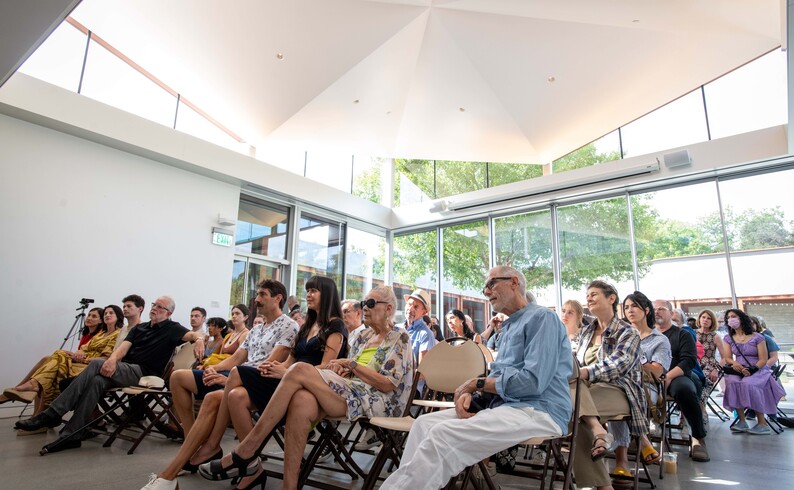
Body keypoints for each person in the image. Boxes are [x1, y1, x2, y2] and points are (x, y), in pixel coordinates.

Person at [198, 285, 413, 490]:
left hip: (377, 400)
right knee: (302, 401)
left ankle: (247, 449)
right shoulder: (361, 335)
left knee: (300, 369)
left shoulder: (399, 337)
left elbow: (386, 384)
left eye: (371, 302)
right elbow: (350, 371)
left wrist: (351, 365)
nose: (364, 306)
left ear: (389, 309)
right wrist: (341, 367)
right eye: (364, 301)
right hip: (350, 390)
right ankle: (289, 486)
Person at [142, 277, 343, 490]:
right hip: (274, 376)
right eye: (308, 290)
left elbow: (321, 366)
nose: (309, 294)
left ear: (278, 298)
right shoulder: (305, 326)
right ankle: (246, 464)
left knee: (225, 386)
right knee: (226, 393)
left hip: (293, 382)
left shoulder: (308, 326)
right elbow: (281, 361)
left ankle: (214, 446)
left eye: (314, 291)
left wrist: (273, 370)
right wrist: (217, 368)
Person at [379, 266, 571, 489]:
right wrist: (473, 395)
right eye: (485, 286)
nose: (486, 291)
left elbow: (533, 382)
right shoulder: (508, 328)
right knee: (423, 424)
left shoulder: (542, 318)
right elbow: (499, 380)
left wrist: (475, 383)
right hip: (506, 407)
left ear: (514, 282)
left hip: (540, 409)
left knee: (443, 434)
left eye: (491, 284)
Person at [15, 296, 205, 454]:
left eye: (159, 307)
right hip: (125, 368)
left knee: (97, 363)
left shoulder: (173, 328)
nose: (154, 308)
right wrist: (113, 360)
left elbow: (194, 335)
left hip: (144, 373)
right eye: (154, 305)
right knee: (97, 380)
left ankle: (52, 413)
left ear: (168, 313)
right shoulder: (140, 328)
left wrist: (199, 341)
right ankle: (72, 435)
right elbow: (123, 348)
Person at [169, 299, 288, 437]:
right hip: (235, 371)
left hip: (241, 376)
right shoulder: (239, 334)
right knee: (177, 376)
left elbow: (245, 363)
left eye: (237, 313)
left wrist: (227, 378)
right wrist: (214, 367)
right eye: (233, 313)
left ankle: (210, 442)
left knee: (217, 395)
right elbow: (229, 357)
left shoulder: (249, 333)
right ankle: (189, 434)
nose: (234, 316)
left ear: (245, 317)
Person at [573, 281, 645, 490]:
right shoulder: (586, 332)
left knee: (573, 411)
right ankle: (599, 434)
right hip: (586, 390)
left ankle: (601, 484)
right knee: (577, 415)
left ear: (611, 298)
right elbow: (575, 362)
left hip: (620, 390)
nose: (589, 299)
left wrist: (585, 372)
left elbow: (619, 365)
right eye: (587, 295)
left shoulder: (627, 332)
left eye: (594, 294)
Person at [3, 305, 123, 417]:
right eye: (106, 313)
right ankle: (37, 402)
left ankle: (35, 391)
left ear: (118, 316)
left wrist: (83, 358)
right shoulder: (101, 334)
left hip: (92, 367)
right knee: (56, 356)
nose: (107, 315)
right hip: (81, 362)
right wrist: (77, 354)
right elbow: (83, 349)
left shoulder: (118, 334)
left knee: (53, 362)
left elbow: (107, 358)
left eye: (111, 313)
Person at [610, 292, 670, 476]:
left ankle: (622, 461)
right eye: (626, 307)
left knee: (620, 396)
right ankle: (643, 439)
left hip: (647, 388)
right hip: (620, 386)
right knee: (618, 394)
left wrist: (629, 361)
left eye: (634, 306)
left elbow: (657, 371)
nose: (629, 311)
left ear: (646, 310)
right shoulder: (618, 336)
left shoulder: (659, 340)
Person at [653, 299, 709, 462]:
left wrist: (668, 376)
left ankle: (698, 437)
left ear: (671, 314)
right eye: (654, 309)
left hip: (678, 374)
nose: (656, 311)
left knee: (685, 390)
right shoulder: (648, 335)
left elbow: (688, 361)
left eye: (661, 309)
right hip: (652, 376)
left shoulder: (682, 334)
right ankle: (637, 436)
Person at [720, 308, 785, 435]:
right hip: (738, 369)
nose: (730, 319)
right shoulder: (728, 338)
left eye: (733, 316)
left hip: (758, 369)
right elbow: (727, 357)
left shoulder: (758, 337)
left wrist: (752, 369)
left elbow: (763, 359)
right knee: (732, 382)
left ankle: (762, 423)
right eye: (728, 317)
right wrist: (735, 364)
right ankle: (742, 421)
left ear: (741, 318)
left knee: (748, 384)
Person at [402, 289, 437, 364]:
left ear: (424, 313)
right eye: (409, 304)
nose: (410, 309)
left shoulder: (426, 334)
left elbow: (421, 371)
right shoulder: (397, 328)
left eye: (416, 306)